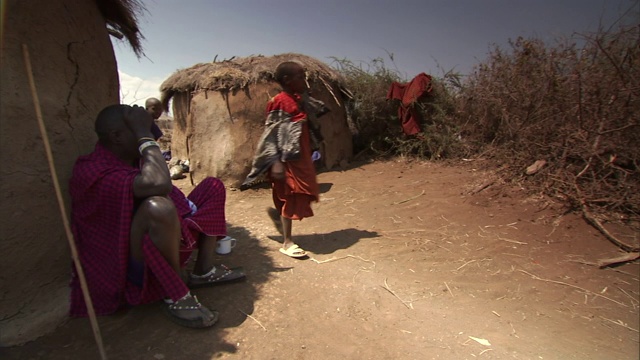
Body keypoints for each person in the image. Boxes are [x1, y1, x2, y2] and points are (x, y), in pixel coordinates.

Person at [69, 104, 245, 328]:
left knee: (213, 186)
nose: (149, 136)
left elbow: (154, 148)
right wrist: (143, 135)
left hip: (169, 236)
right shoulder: (93, 171)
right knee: (158, 207)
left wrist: (145, 122)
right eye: (140, 131)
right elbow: (159, 184)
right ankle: (175, 291)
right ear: (116, 137)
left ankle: (203, 271)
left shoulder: (132, 158)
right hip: (133, 258)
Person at [241, 61, 329, 258]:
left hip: (301, 158)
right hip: (287, 160)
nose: (304, 80)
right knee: (289, 196)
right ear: (287, 80)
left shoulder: (298, 99)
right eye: (300, 76)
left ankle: (286, 236)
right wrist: (276, 162)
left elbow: (318, 112)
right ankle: (287, 242)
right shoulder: (279, 102)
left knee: (298, 195)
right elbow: (271, 134)